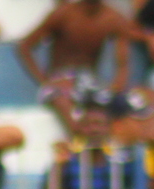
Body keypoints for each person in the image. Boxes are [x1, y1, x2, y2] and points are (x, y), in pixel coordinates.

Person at [17, 0, 134, 131]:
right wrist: (45, 81)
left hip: (90, 81)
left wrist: (117, 88)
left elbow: (123, 63)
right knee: (63, 103)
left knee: (129, 105)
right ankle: (78, 136)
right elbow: (25, 47)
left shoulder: (114, 18)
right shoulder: (64, 14)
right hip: (60, 79)